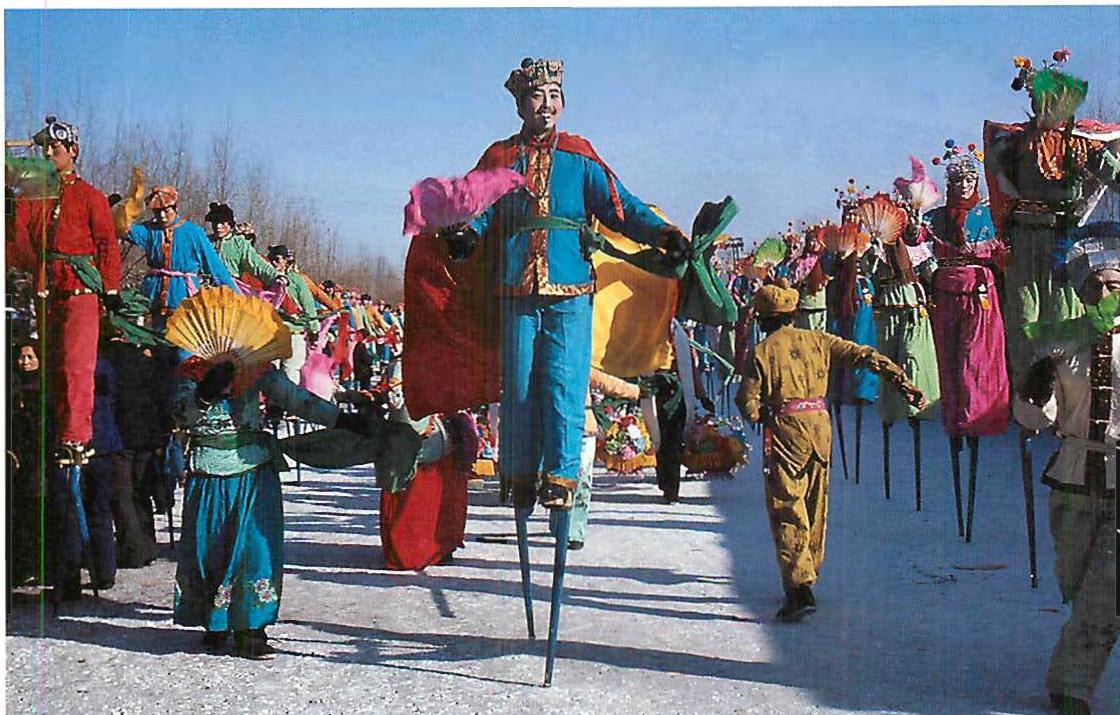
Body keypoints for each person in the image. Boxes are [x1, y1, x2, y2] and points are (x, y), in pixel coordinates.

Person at [446, 57, 690, 510]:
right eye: (537, 95)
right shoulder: (501, 157)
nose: (547, 104)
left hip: (571, 287)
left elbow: (621, 206)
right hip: (516, 288)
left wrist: (661, 233)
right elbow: (478, 205)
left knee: (566, 381)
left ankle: (561, 474)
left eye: (554, 95)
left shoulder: (579, 156)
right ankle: (518, 472)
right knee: (519, 384)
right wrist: (467, 233)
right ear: (520, 104)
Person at [737, 279, 923, 622]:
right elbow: (864, 355)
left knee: (787, 505)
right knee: (815, 503)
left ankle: (799, 588)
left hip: (786, 432)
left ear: (763, 319)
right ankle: (808, 571)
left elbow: (747, 402)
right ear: (792, 314)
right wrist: (901, 381)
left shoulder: (762, 351)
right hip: (820, 430)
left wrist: (758, 413)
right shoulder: (819, 340)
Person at [173, 358, 372, 658]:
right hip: (207, 471)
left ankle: (252, 629)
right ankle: (215, 621)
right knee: (210, 546)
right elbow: (179, 415)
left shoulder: (256, 366)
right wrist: (204, 393)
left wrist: (342, 420)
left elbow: (298, 400)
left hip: (253, 470)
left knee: (256, 549)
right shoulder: (191, 368)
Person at [1013, 237, 1120, 715]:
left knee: (1106, 591)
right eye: (1095, 286)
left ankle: (1073, 687)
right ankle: (1069, 672)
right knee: (1076, 583)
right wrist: (1033, 392)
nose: (1103, 293)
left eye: (1113, 285)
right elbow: (1036, 418)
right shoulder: (1063, 345)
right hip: (1074, 478)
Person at [8, 115, 122, 466]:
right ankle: (60, 432)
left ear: (73, 150)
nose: (48, 154)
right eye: (44, 148)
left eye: (54, 148)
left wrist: (111, 287)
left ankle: (77, 436)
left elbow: (107, 244)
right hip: (47, 290)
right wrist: (9, 208)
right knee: (53, 367)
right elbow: (18, 246)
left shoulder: (91, 196)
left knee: (76, 365)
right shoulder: (33, 198)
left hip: (81, 291)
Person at [121, 185, 239, 328]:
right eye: (157, 212)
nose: (162, 216)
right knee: (155, 337)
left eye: (166, 210)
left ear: (175, 208)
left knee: (181, 337)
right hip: (154, 295)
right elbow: (123, 228)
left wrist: (236, 298)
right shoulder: (149, 231)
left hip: (183, 296)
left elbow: (215, 268)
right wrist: (119, 209)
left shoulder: (194, 233)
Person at [266, 244, 318, 384]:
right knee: (270, 374)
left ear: (285, 261)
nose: (274, 263)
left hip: (293, 333)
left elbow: (308, 305)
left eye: (277, 259)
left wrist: (313, 329)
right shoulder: (266, 279)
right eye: (271, 259)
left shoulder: (296, 280)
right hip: (272, 334)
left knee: (291, 374)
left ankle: (291, 397)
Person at [205, 202, 282, 288]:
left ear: (230, 223)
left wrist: (276, 276)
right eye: (215, 222)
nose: (218, 226)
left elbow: (256, 263)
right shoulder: (205, 242)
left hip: (230, 289)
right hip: (205, 288)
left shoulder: (240, 244)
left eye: (222, 223)